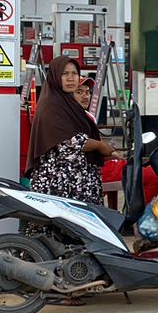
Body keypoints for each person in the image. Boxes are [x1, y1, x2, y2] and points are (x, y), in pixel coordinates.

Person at [24, 56, 116, 213]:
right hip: (60, 186)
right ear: (55, 76)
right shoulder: (51, 105)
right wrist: (100, 146)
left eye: (74, 73)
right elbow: (70, 142)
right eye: (65, 74)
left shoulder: (69, 104)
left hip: (78, 184)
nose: (71, 78)